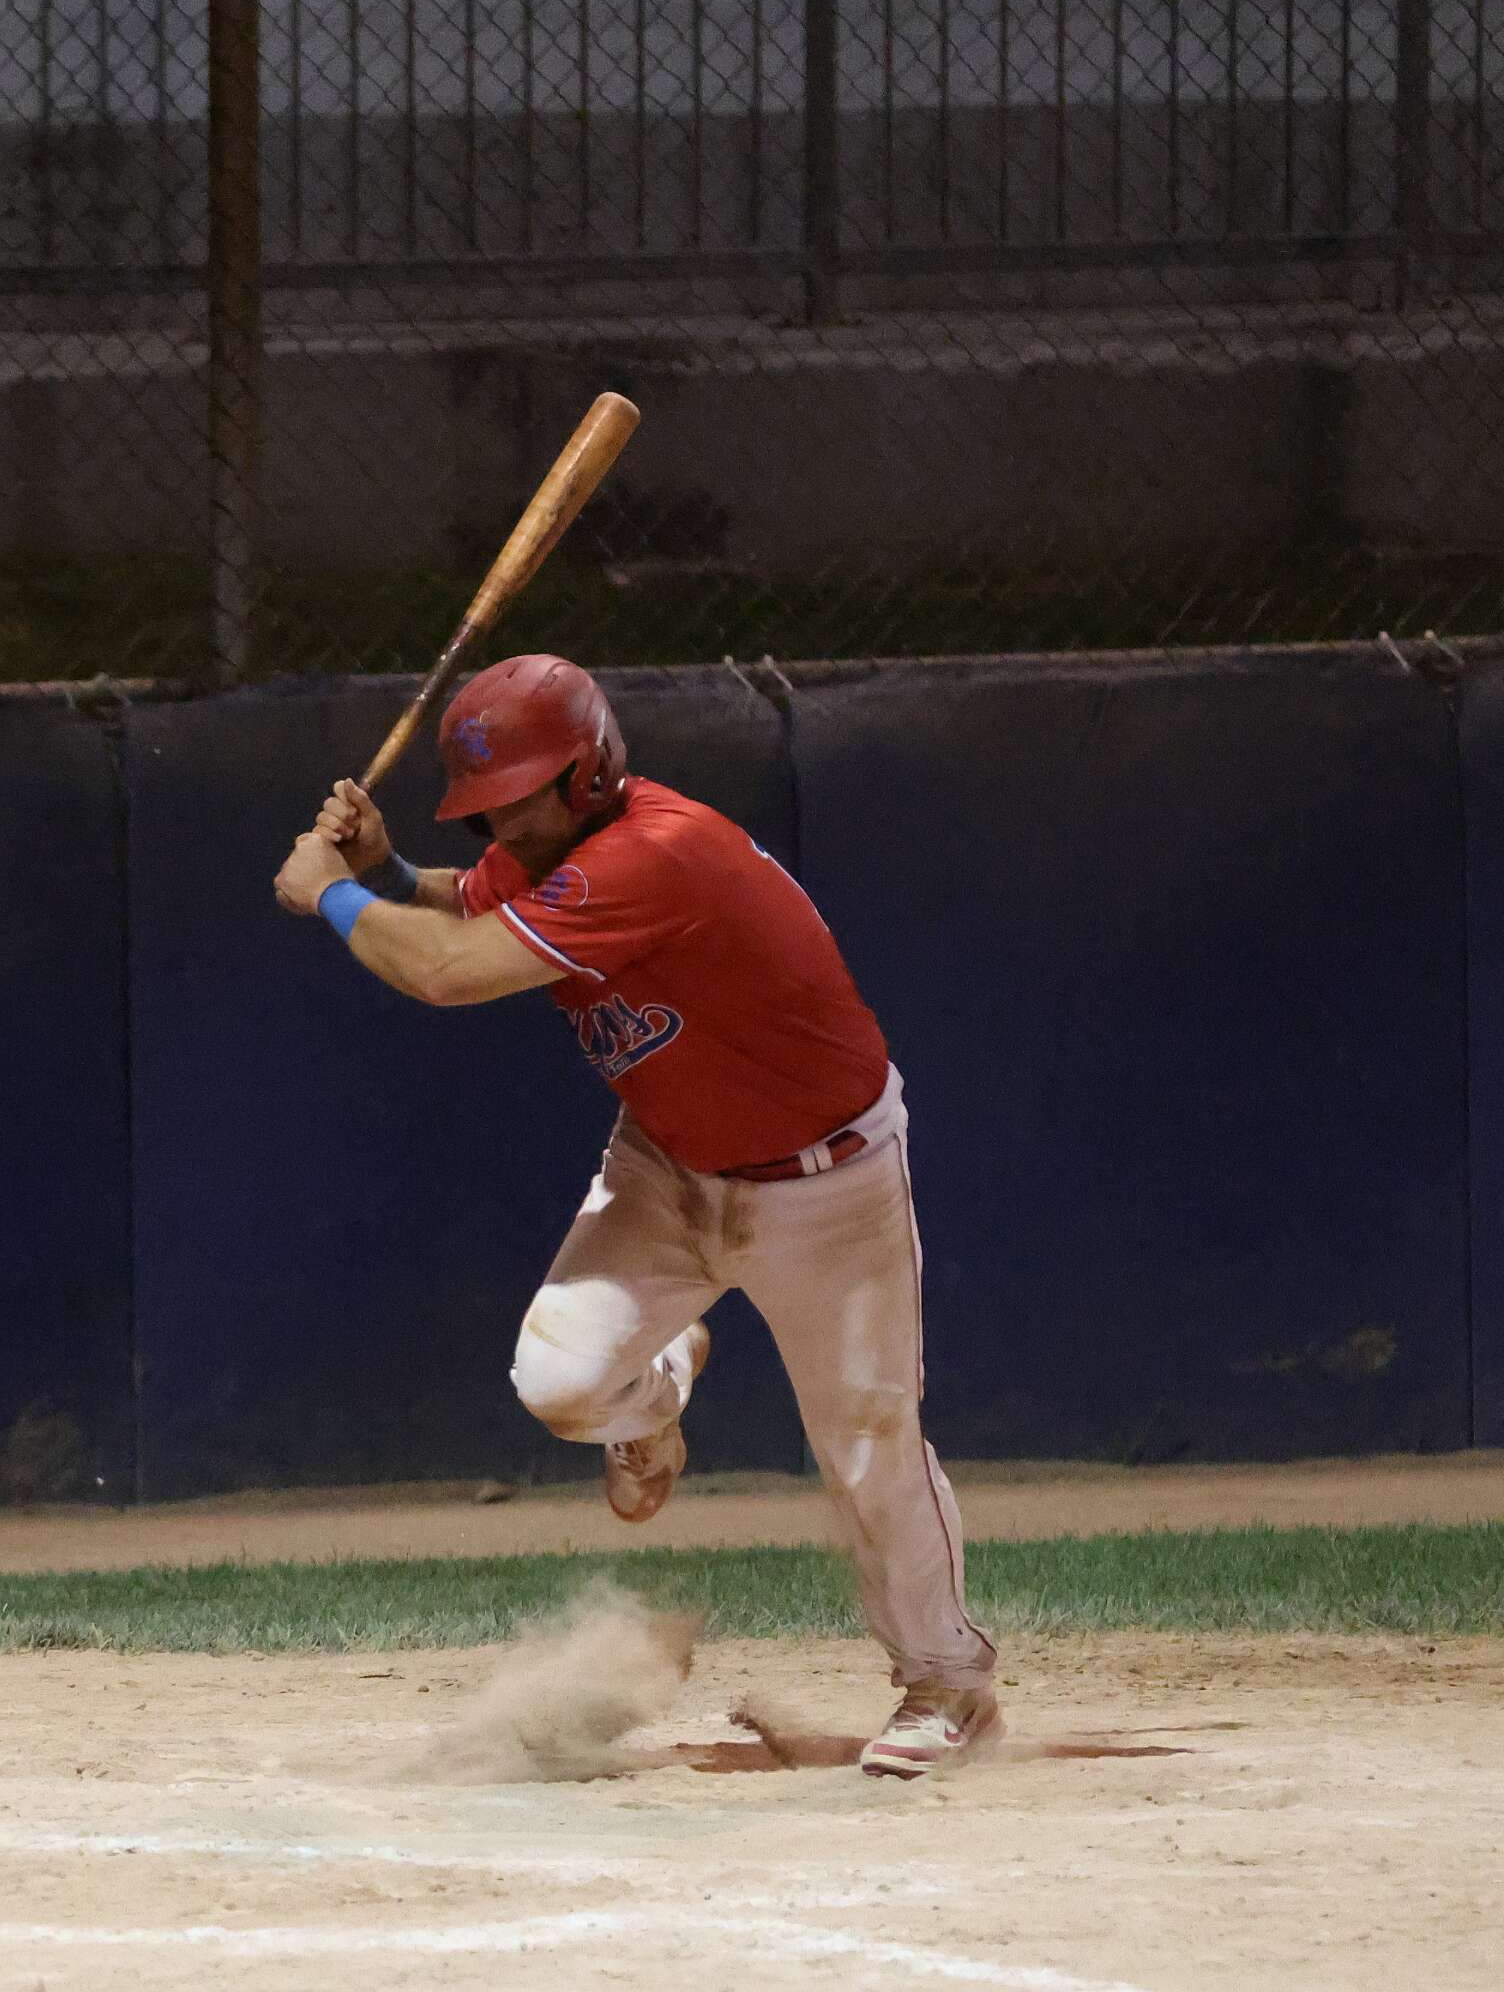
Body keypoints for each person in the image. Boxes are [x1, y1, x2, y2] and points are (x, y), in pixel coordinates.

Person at [272, 652, 998, 1777]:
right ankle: (654, 1394)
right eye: (484, 807)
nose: (499, 826)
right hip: (667, 1161)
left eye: (516, 798)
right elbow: (472, 901)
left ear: (590, 772)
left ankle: (947, 1683)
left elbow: (451, 972)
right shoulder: (549, 848)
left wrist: (333, 893)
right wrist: (388, 870)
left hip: (827, 1184)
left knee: (868, 1443)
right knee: (562, 1383)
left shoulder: (656, 854)